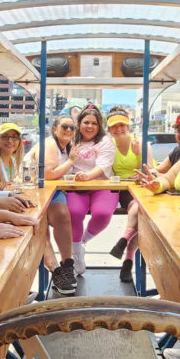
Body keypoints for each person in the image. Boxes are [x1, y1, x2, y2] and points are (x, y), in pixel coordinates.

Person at [66, 106, 117, 275]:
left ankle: (80, 244)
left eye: (94, 123)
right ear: (79, 123)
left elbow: (103, 166)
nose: (90, 126)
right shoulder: (72, 140)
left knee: (102, 213)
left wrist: (87, 176)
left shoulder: (105, 142)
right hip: (76, 186)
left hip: (101, 185)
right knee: (74, 212)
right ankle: (76, 256)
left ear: (99, 125)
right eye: (86, 122)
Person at [106, 107, 149, 283]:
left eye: (122, 125)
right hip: (118, 189)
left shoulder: (140, 143)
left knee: (139, 209)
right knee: (138, 211)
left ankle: (126, 250)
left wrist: (139, 156)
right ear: (109, 130)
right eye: (114, 126)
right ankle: (128, 256)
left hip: (137, 187)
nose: (118, 129)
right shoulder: (108, 146)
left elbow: (149, 170)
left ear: (128, 126)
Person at [40, 114, 78, 294]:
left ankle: (67, 264)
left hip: (55, 192)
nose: (69, 130)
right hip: (37, 191)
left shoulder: (67, 147)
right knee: (40, 227)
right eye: (64, 127)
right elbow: (48, 173)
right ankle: (55, 270)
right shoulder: (50, 144)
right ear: (54, 129)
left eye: (72, 127)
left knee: (63, 215)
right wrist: (71, 161)